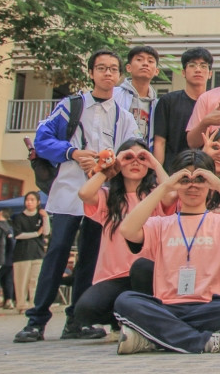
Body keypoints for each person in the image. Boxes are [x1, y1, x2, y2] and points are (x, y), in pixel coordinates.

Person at [15, 49, 139, 343]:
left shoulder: (124, 117)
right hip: (69, 193)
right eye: (101, 68)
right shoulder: (70, 106)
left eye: (113, 69)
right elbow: (43, 140)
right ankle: (36, 321)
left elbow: (132, 152)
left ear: (120, 75)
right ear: (91, 72)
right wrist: (73, 153)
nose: (108, 73)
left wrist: (108, 165)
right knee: (57, 252)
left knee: (90, 257)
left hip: (103, 197)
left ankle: (76, 321)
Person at [112, 149, 220, 354]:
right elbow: (127, 229)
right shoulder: (160, 224)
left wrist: (219, 185)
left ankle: (156, 339)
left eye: (200, 179)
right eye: (185, 180)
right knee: (125, 301)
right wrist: (165, 187)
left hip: (211, 307)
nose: (192, 186)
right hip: (167, 307)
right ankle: (207, 342)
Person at [74, 138, 173, 336]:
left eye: (141, 158)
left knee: (142, 270)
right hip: (115, 276)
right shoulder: (107, 197)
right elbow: (84, 193)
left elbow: (170, 195)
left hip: (148, 274)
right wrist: (111, 165)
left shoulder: (155, 195)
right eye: (129, 157)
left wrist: (154, 162)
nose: (135, 162)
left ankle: (140, 323)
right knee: (85, 309)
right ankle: (120, 320)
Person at [153, 47, 213, 172]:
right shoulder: (168, 101)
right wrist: (158, 174)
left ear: (210, 74)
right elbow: (159, 142)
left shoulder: (215, 104)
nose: (198, 70)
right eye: (192, 65)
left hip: (206, 170)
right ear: (183, 72)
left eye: (203, 66)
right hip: (172, 170)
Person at [10, 192, 49, 313]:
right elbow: (18, 235)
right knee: (21, 281)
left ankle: (34, 304)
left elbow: (46, 232)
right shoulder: (19, 217)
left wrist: (46, 218)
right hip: (22, 254)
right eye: (27, 200)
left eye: (32, 200)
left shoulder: (40, 216)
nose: (29, 202)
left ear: (38, 202)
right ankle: (21, 304)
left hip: (38, 253)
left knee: (35, 280)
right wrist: (36, 234)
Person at [114, 45, 160, 145]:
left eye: (150, 61)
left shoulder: (158, 105)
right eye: (139, 59)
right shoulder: (114, 94)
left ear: (156, 71)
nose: (145, 64)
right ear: (128, 68)